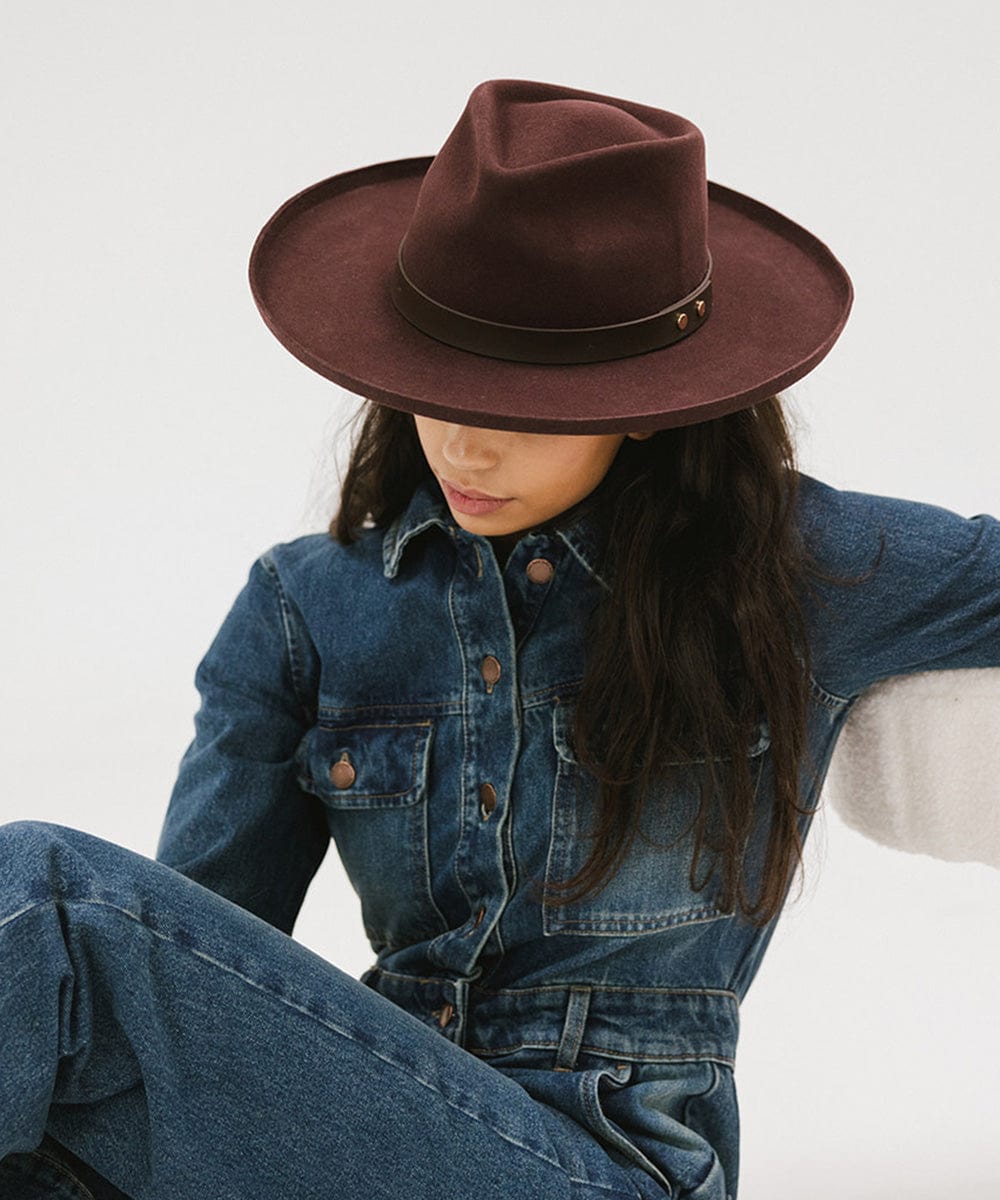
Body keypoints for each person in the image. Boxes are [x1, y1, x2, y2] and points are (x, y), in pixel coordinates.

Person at [1, 77, 997, 1200]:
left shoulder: (784, 564)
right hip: (365, 1134)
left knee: (45, 897)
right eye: (438, 386)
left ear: (640, 395)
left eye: (518, 403)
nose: (463, 447)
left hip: (607, 1165)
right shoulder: (304, 607)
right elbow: (193, 975)